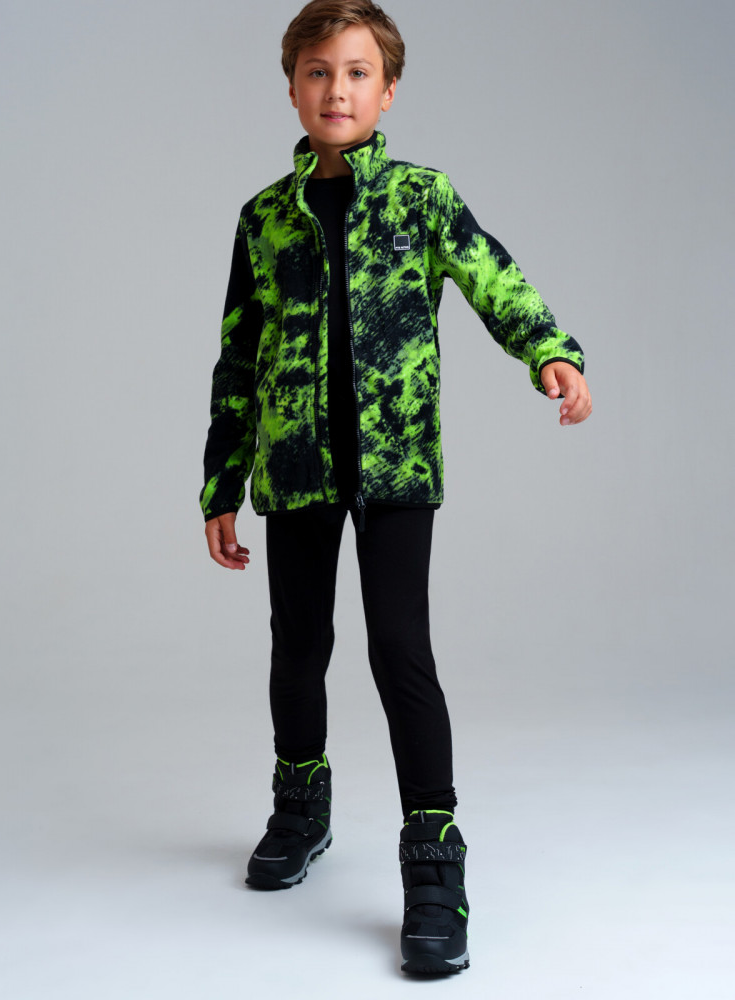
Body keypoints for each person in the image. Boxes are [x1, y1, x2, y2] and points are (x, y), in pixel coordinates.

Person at [201, 0, 592, 976]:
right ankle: (302, 805)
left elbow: (495, 279)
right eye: (318, 72)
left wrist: (549, 351)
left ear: (388, 90)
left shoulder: (422, 198)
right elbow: (238, 359)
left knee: (400, 652)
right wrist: (220, 483)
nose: (337, 90)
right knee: (299, 647)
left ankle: (434, 855)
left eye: (357, 72)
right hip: (294, 468)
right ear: (292, 86)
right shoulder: (263, 218)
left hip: (398, 466)